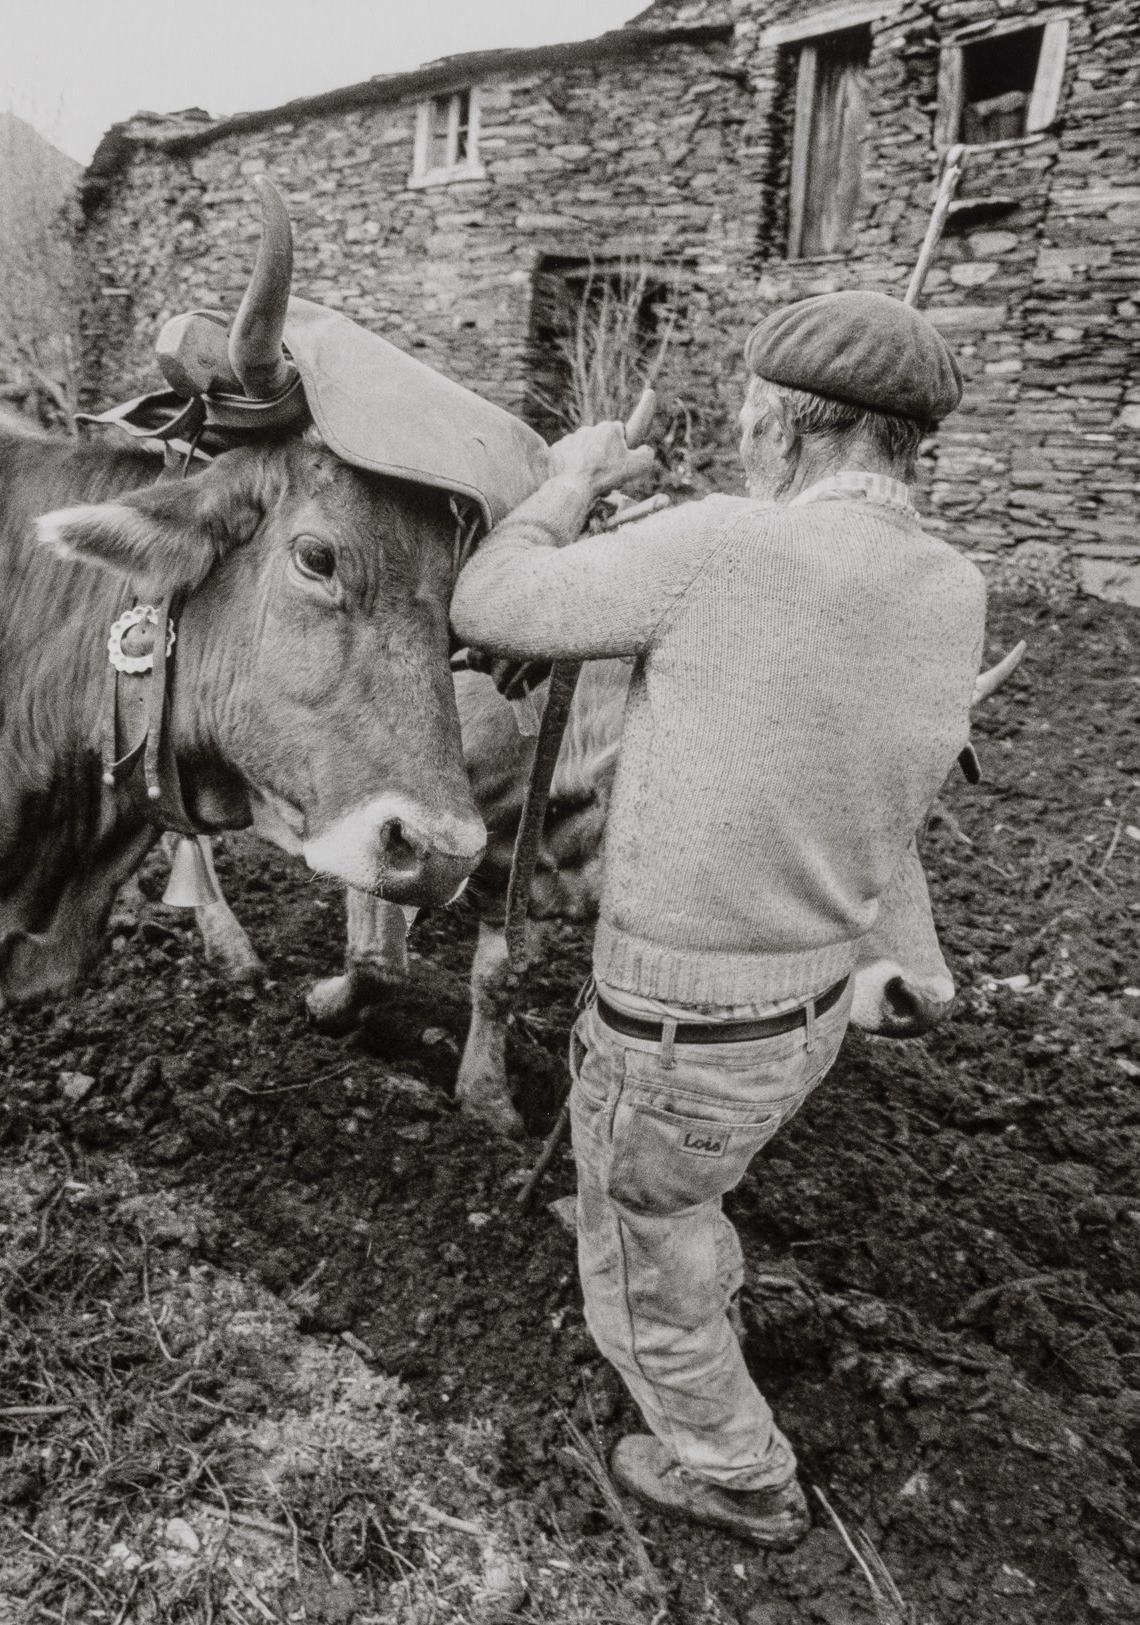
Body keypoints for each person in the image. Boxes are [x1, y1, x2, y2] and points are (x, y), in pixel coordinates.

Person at [450, 290, 988, 1550]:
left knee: (635, 1249)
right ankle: (702, 1264)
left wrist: (569, 478)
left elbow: (491, 603)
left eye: (750, 421)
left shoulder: (719, 545)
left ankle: (735, 1468)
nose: (743, 442)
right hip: (806, 1008)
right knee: (692, 1193)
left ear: (789, 433)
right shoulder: (951, 585)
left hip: (680, 1026)